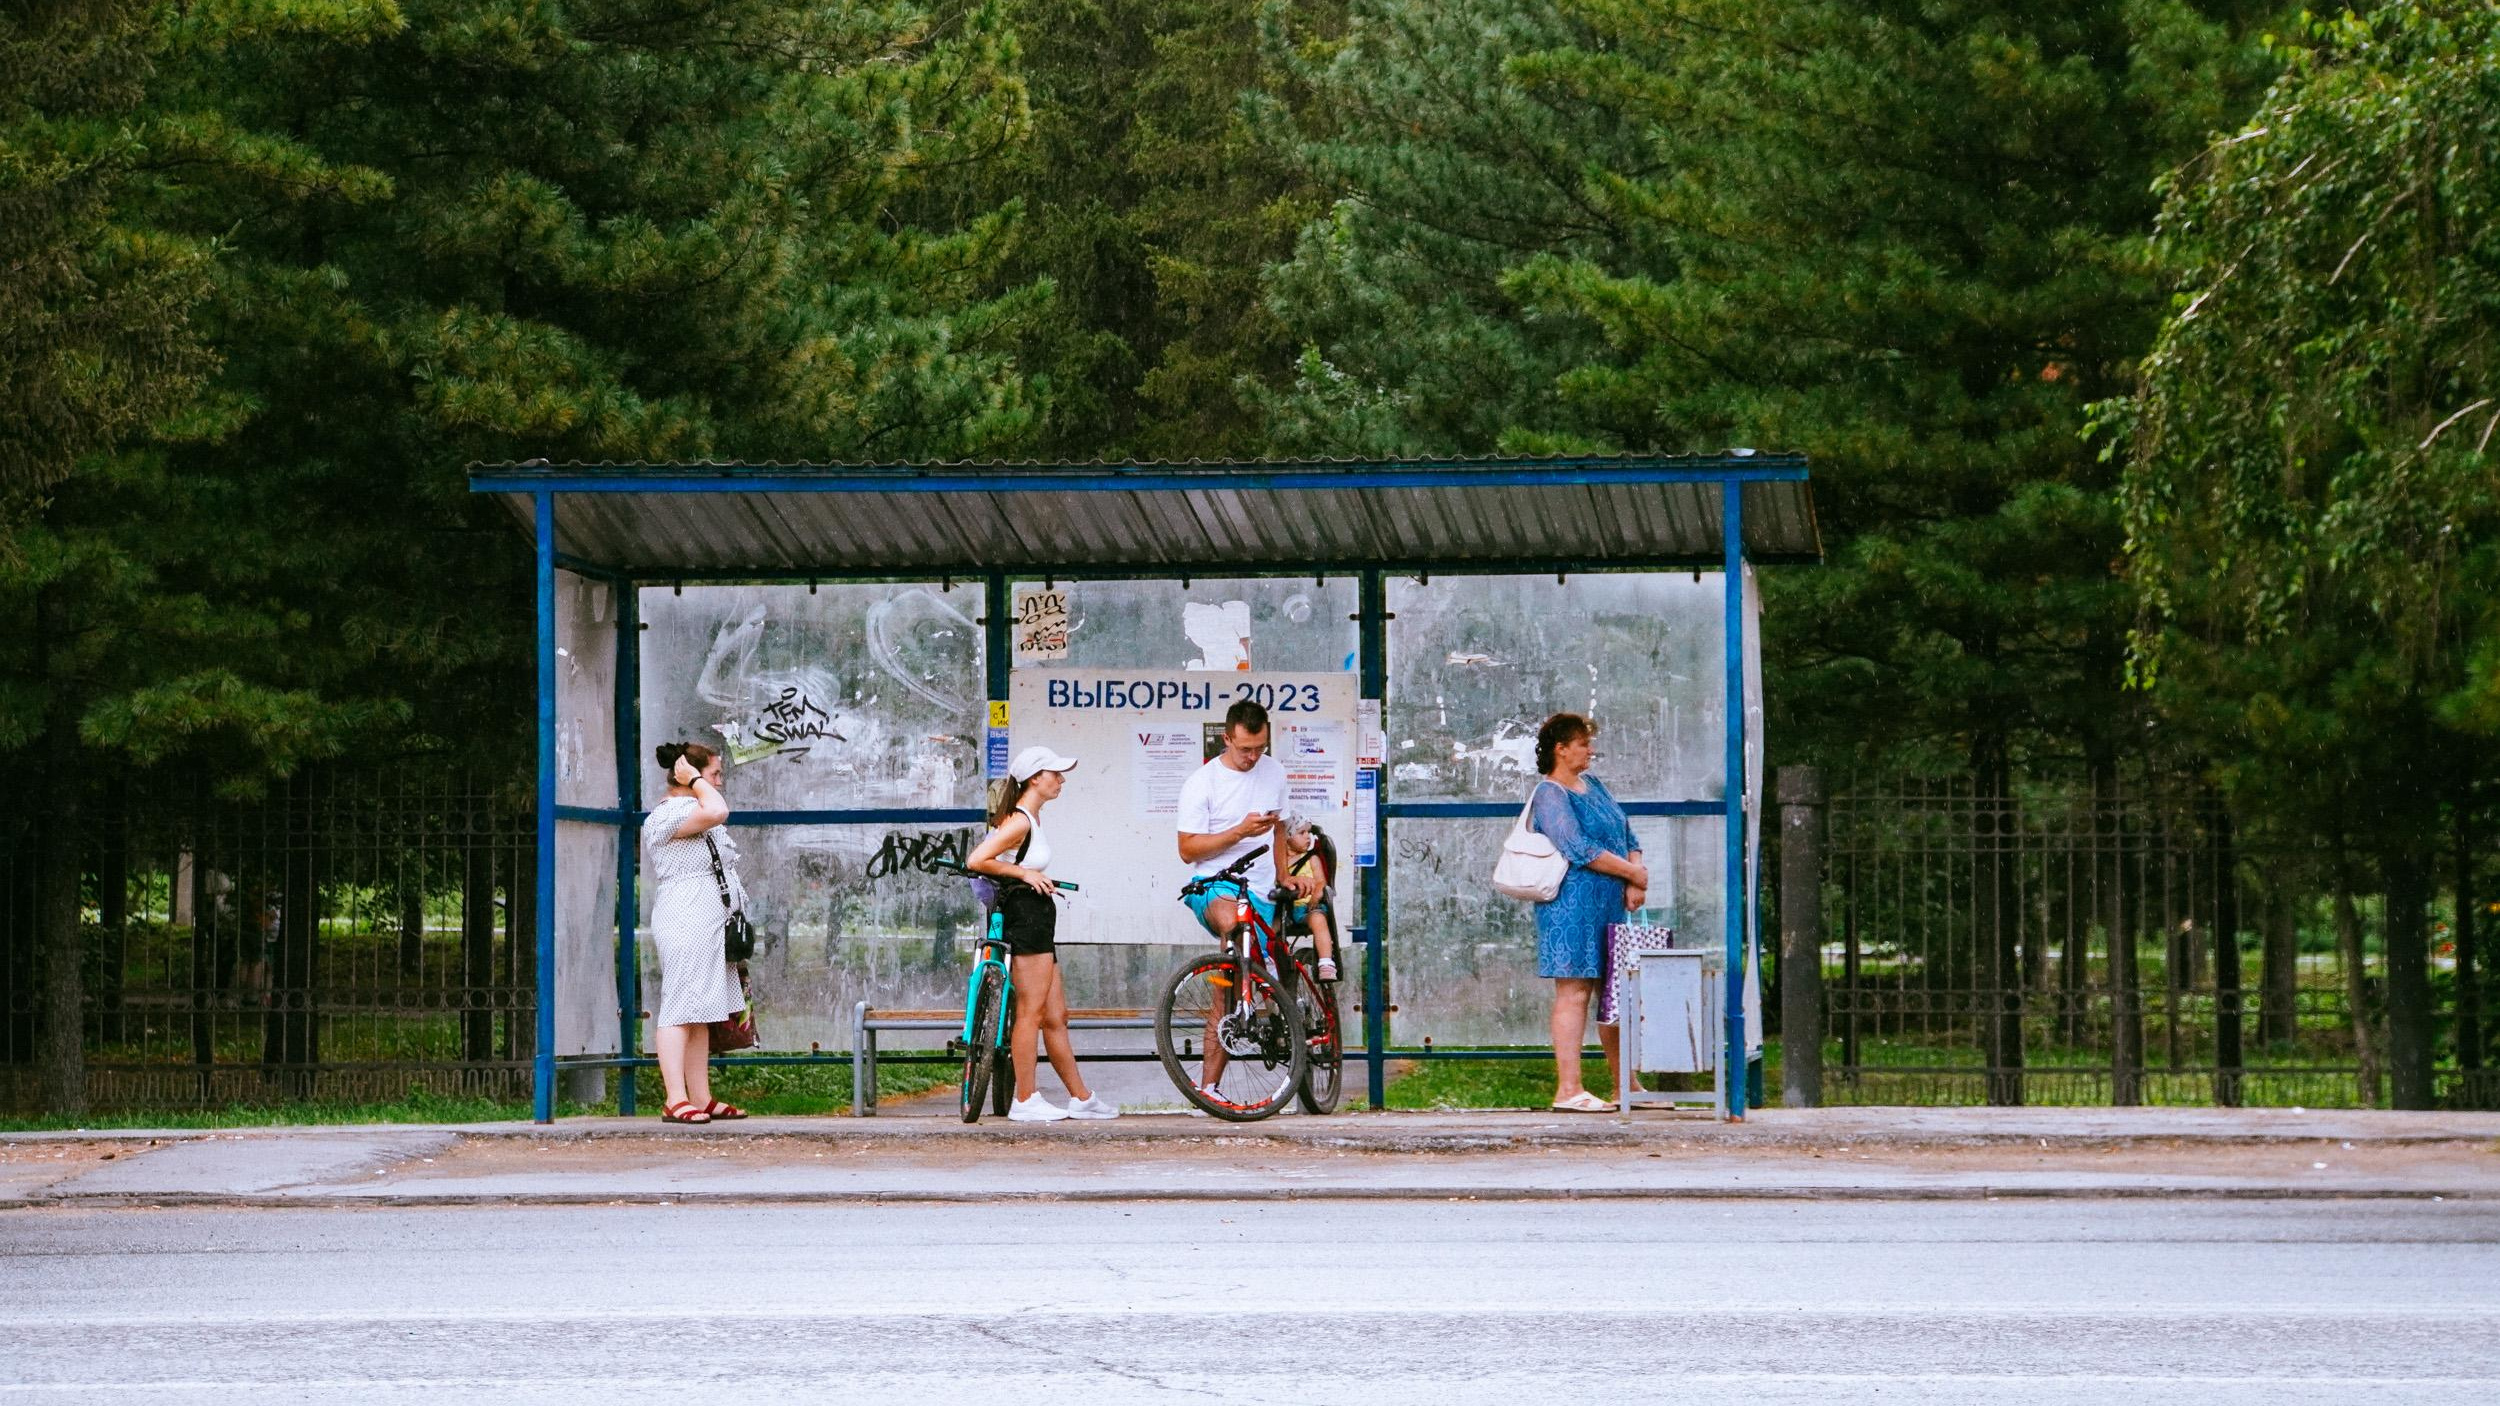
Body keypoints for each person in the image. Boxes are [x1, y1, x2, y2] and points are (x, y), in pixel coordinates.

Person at [1175, 699, 1325, 1092]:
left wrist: (1284, 874)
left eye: (1260, 747)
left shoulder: (1273, 771)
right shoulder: (1202, 782)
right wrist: (1238, 832)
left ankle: (1264, 1000)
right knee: (1233, 931)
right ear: (1227, 738)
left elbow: (1279, 831)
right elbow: (1188, 850)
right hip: (1215, 883)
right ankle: (1210, 1088)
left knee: (1235, 982)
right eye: (1245, 749)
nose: (1253, 756)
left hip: (1262, 889)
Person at [965, 746, 1120, 1123]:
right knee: (1030, 1014)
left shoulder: (1030, 819)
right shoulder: (1019, 821)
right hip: (1026, 920)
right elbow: (976, 860)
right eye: (1055, 773)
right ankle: (1025, 1097)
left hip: (1038, 921)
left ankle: (1081, 1097)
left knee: (1056, 1015)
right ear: (1036, 778)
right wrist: (1025, 874)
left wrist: (1033, 874)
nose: (1061, 780)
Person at [1528, 712, 1646, 1112]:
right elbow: (1576, 847)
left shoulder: (1593, 785)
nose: (1590, 750)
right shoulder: (1550, 794)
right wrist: (1633, 872)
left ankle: (1625, 1085)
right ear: (1561, 748)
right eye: (1583, 743)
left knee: (1613, 993)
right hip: (1571, 906)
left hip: (1610, 903)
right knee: (1575, 990)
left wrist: (1633, 876)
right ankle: (1569, 1088)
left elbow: (1626, 831)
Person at [641, 742, 749, 1125]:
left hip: (709, 920)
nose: (718, 782)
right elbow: (717, 809)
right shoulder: (668, 815)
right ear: (688, 773)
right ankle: (675, 1097)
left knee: (701, 1010)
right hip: (685, 918)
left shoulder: (696, 810)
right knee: (680, 1005)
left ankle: (700, 1096)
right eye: (715, 774)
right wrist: (698, 779)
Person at [1277, 815, 1340, 983]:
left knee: (1319, 920)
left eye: (1309, 832)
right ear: (1287, 838)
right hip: (1286, 910)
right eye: (1301, 832)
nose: (1307, 836)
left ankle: (1326, 963)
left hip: (1308, 908)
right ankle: (1270, 965)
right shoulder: (1280, 863)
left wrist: (1315, 897)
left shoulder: (1312, 859)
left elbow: (1321, 882)